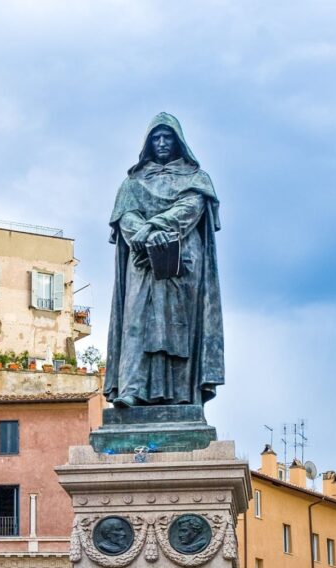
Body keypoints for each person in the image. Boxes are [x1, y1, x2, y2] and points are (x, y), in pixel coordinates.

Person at [105, 113, 224, 407]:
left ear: (178, 141)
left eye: (167, 137)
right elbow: (125, 217)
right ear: (147, 143)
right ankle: (132, 389)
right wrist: (147, 235)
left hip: (182, 261)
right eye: (155, 138)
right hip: (143, 260)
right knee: (136, 322)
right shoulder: (132, 184)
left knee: (178, 325)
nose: (161, 143)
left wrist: (152, 227)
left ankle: (182, 395)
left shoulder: (197, 179)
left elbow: (191, 208)